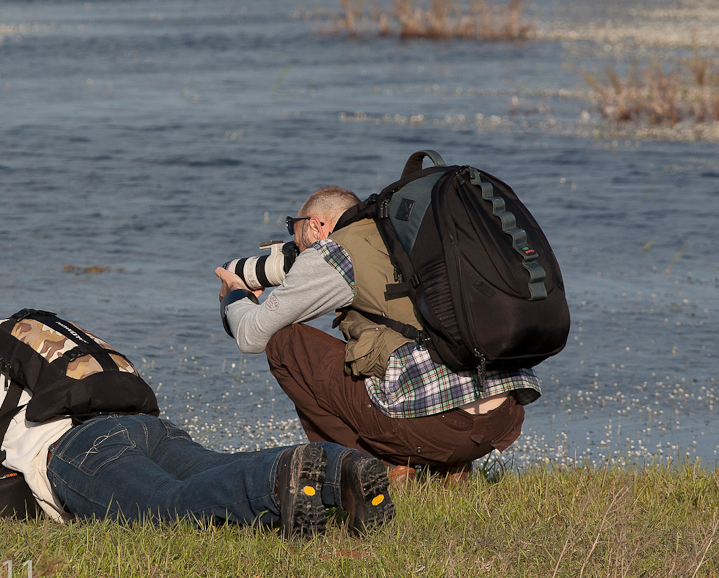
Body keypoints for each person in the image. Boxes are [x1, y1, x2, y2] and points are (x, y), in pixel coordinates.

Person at [0, 300, 395, 538]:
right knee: (212, 466)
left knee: (167, 507)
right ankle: (339, 466)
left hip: (79, 450)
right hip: (145, 425)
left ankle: (279, 482)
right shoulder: (32, 334)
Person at [215, 186, 541, 482]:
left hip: (438, 429)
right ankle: (451, 467)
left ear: (316, 226)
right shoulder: (410, 234)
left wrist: (236, 295)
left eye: (295, 231)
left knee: (283, 342)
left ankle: (380, 466)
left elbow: (252, 335)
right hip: (503, 418)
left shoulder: (336, 251)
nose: (296, 247)